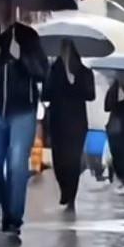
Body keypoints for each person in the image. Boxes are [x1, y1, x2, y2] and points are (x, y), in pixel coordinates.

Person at [0, 0, 47, 234]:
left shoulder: (28, 36)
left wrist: (22, 58)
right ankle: (7, 206)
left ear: (15, 8)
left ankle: (14, 217)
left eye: (7, 6)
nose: (3, 11)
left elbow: (41, 72)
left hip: (22, 110)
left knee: (17, 164)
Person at [45, 39, 95, 212]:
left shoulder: (84, 72)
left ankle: (71, 194)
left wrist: (76, 83)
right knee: (59, 159)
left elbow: (90, 95)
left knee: (73, 160)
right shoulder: (53, 70)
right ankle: (64, 190)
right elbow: (45, 94)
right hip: (58, 122)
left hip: (76, 123)